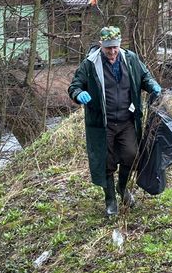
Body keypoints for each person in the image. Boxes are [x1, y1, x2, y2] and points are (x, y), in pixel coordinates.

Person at [68, 26, 162, 216]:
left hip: (127, 120)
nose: (112, 52)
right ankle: (110, 199)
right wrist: (79, 94)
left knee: (132, 154)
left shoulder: (130, 59)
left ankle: (122, 188)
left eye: (115, 48)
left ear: (120, 45)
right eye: (108, 48)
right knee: (106, 162)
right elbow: (74, 86)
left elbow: (144, 76)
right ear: (101, 45)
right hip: (103, 124)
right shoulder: (90, 64)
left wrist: (152, 84)